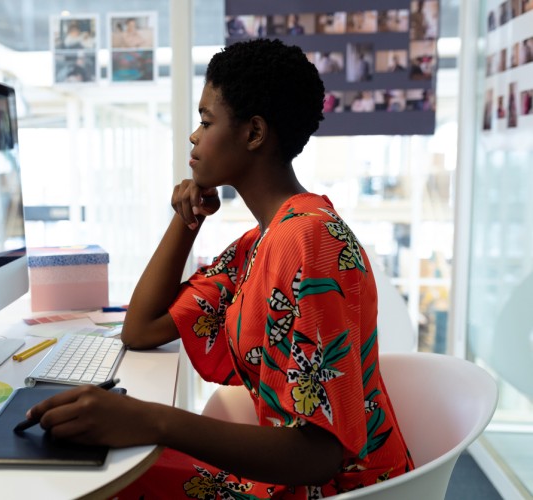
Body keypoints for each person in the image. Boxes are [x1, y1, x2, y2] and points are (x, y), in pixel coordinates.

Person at [23, 39, 414, 498]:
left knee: (108, 480)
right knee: (106, 464)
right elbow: (142, 329)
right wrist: (187, 220)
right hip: (290, 478)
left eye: (206, 121)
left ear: (253, 134)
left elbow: (320, 455)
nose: (194, 135)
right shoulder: (265, 239)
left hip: (334, 490)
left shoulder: (309, 240)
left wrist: (153, 420)